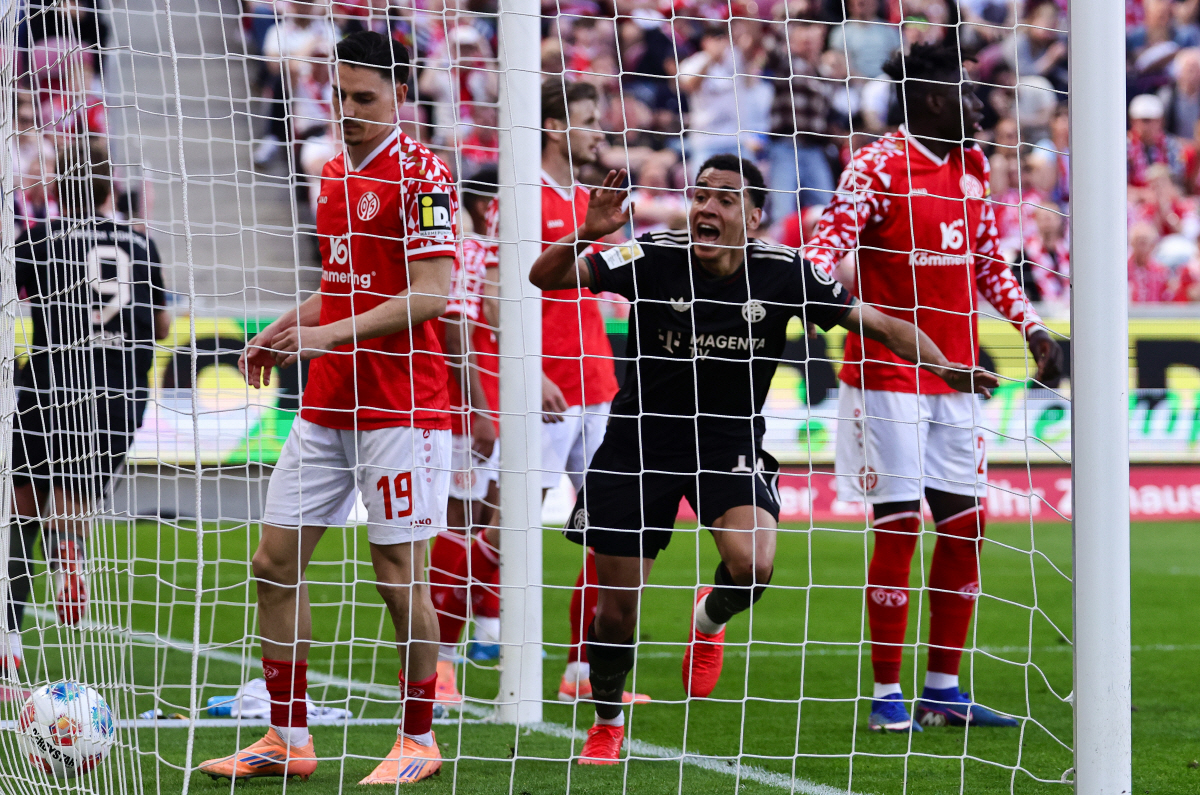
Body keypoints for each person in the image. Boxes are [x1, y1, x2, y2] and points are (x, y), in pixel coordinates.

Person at [530, 154, 997, 764]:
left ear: (752, 217)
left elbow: (877, 323)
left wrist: (940, 364)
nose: (707, 207)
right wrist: (588, 232)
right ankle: (607, 722)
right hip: (639, 441)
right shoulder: (648, 255)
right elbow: (546, 278)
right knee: (617, 608)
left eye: (725, 199)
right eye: (700, 195)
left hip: (727, 443)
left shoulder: (783, 271)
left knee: (753, 565)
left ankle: (709, 615)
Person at [199, 31, 458, 785]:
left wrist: (322, 334)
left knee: (395, 574)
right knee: (273, 563)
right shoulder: (336, 170)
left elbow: (432, 294)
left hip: (402, 407)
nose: (348, 112)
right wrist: (286, 326)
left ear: (400, 96)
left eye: (364, 99)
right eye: (340, 96)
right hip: (327, 404)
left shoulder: (423, 174)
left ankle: (418, 737)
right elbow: (343, 281)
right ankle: (288, 735)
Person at [805, 43, 1064, 734]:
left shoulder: (974, 166)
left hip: (958, 373)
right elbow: (821, 255)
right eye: (968, 94)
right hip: (888, 373)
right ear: (928, 100)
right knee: (898, 523)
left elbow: (986, 262)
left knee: (968, 523)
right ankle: (887, 693)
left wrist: (1031, 327)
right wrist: (827, 302)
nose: (981, 107)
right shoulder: (876, 166)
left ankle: (943, 688)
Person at [4, 137, 170, 671]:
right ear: (109, 187)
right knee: (74, 499)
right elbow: (163, 325)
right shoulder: (142, 245)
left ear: (57, 184)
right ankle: (71, 550)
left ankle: (8, 647)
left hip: (48, 390)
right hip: (119, 399)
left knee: (20, 510)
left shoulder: (42, 237)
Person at [538, 79, 648, 706]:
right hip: (543, 385)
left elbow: (626, 263)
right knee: (504, 526)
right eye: (589, 124)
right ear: (556, 128)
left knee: (611, 525)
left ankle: (582, 670)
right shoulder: (518, 199)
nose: (599, 136)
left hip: (598, 383)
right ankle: (449, 658)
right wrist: (527, 373)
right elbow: (501, 291)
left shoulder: (590, 201)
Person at [429, 169, 502, 705]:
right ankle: (442, 659)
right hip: (466, 408)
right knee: (461, 522)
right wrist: (477, 406)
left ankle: (489, 629)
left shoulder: (497, 252)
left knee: (495, 523)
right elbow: (456, 330)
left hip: (502, 403)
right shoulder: (468, 249)